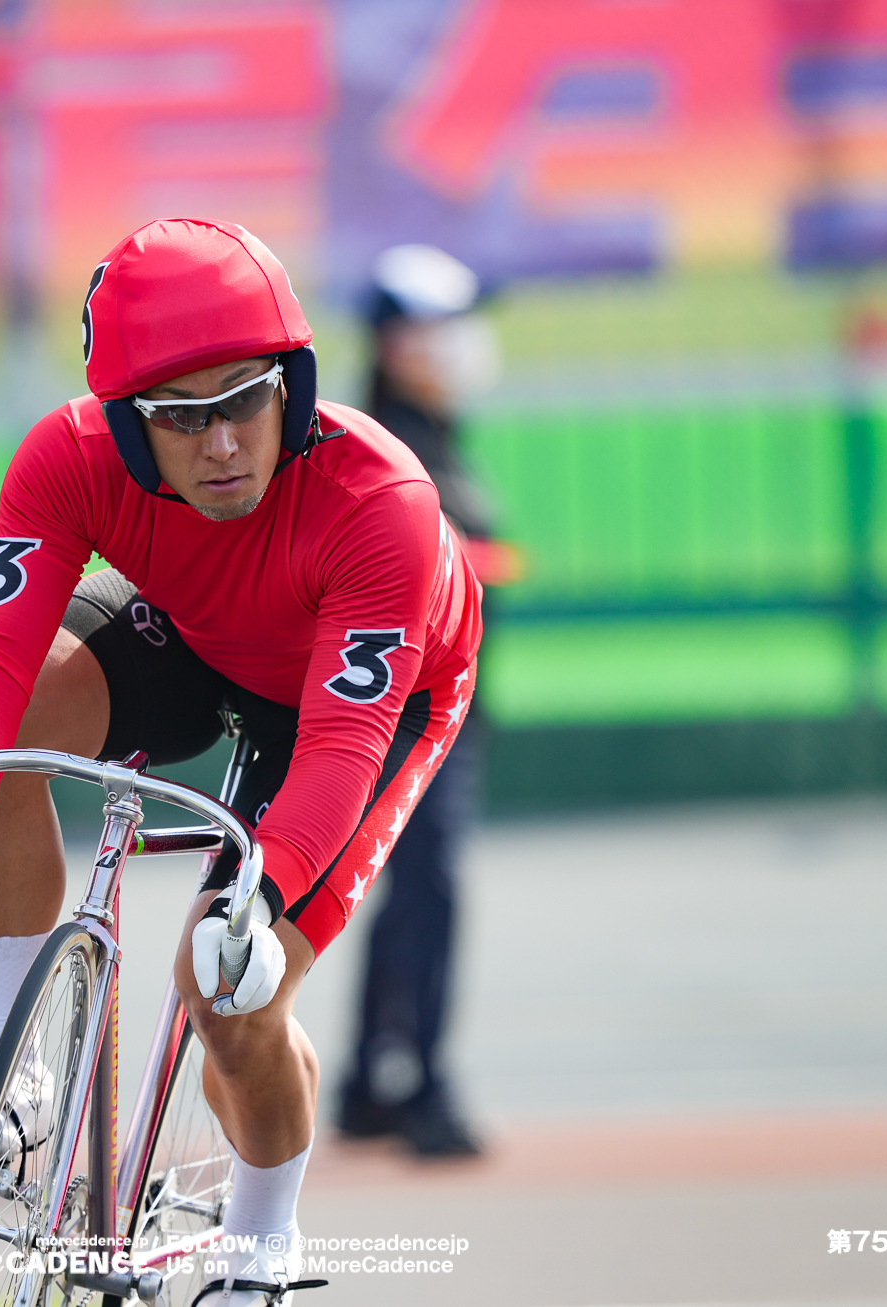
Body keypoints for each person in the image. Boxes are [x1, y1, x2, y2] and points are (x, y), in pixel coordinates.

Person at [0, 218, 482, 1306]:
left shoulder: (380, 502)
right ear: (126, 429)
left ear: (292, 382)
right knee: (19, 716)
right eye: (182, 420)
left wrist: (265, 894)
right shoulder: (67, 458)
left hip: (362, 700)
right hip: (200, 634)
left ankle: (258, 1249)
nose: (226, 445)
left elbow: (339, 744)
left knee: (227, 994)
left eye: (246, 399)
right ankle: (18, 1083)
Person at [336, 244, 519, 1159]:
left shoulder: (435, 436)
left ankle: (372, 1077)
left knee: (410, 892)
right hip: (401, 711)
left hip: (433, 709)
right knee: (430, 888)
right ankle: (423, 1086)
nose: (462, 345)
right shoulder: (386, 446)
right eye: (444, 326)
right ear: (397, 339)